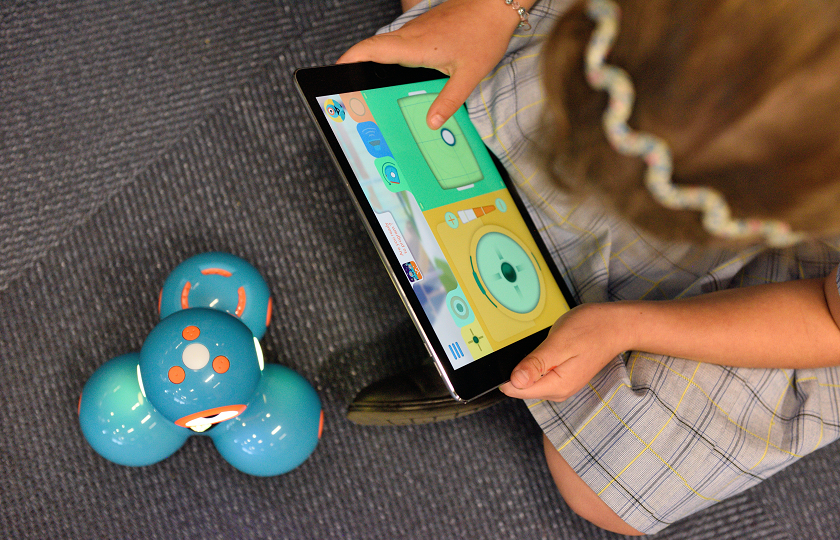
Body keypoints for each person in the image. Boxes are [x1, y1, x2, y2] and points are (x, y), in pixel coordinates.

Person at [340, 0, 840, 535]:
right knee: (421, 52)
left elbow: (831, 321)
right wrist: (497, 9)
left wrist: (629, 325)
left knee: (605, 497)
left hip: (812, 292)